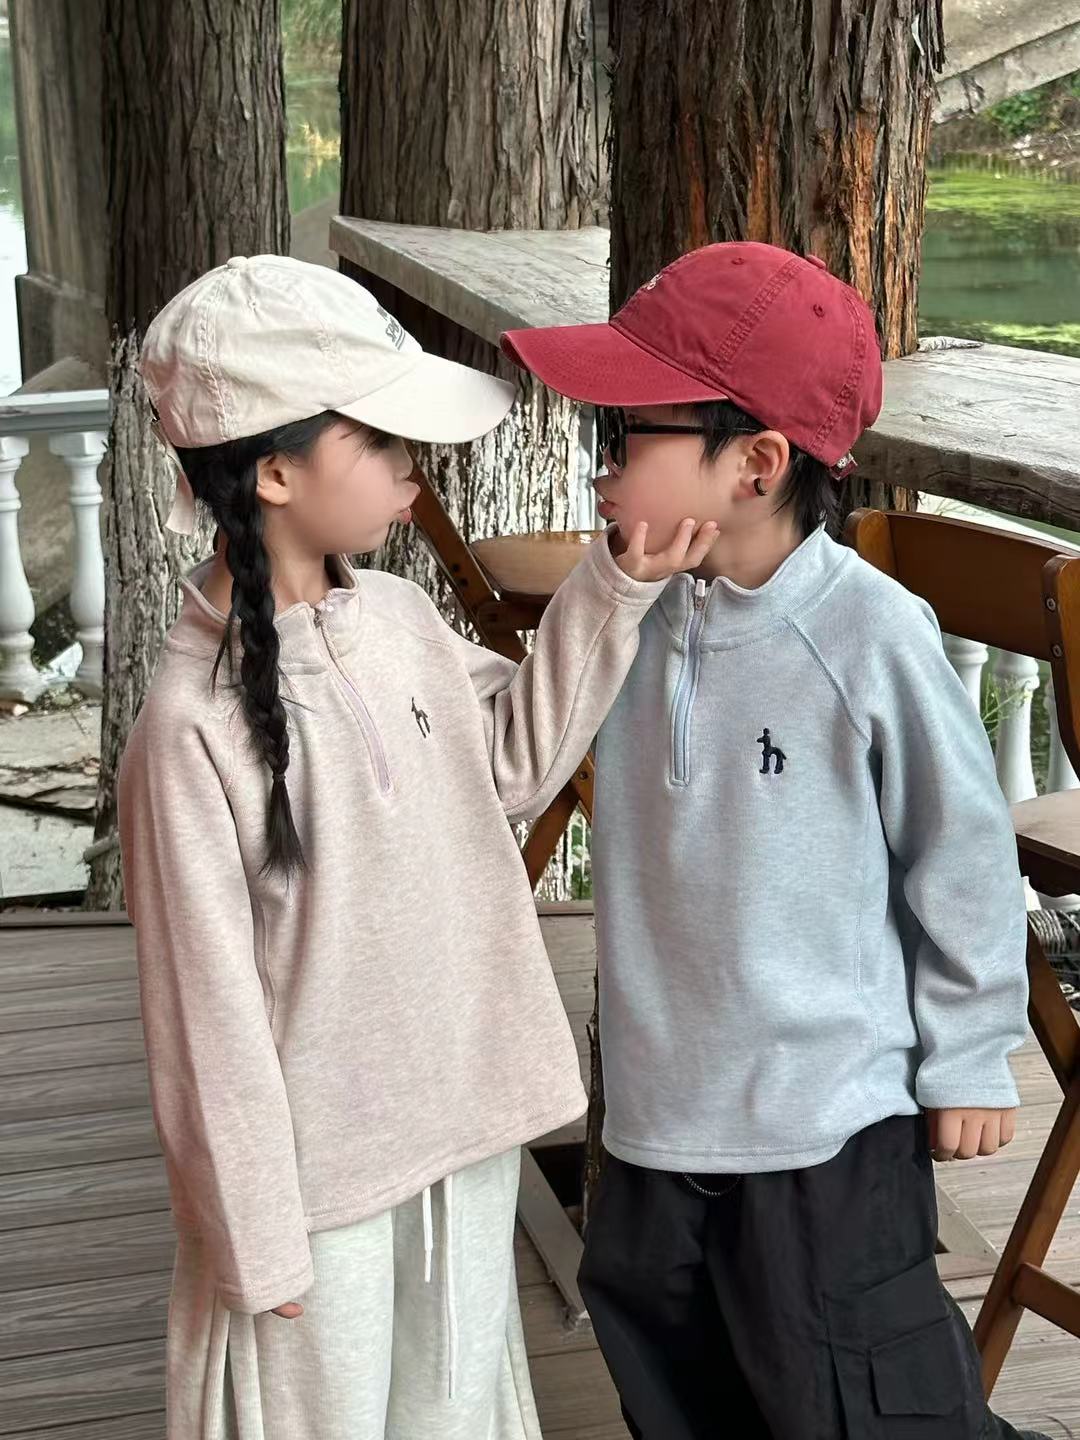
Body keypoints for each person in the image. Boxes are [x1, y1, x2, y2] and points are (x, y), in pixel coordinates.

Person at [118, 253, 717, 1440]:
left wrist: (612, 587)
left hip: (462, 1122)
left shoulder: (396, 618)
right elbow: (203, 1014)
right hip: (318, 1187)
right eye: (381, 437)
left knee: (454, 1410)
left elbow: (508, 766)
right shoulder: (185, 729)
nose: (413, 463)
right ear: (274, 472)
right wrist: (253, 1233)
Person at [501, 240, 1048, 1440]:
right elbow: (513, 759)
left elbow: (959, 852)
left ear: (755, 463)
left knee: (858, 1403)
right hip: (654, 1115)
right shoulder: (627, 614)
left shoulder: (872, 633)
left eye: (626, 434)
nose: (600, 465)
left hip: (828, 1124)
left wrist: (969, 1055)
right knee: (674, 1387)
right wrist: (606, 593)